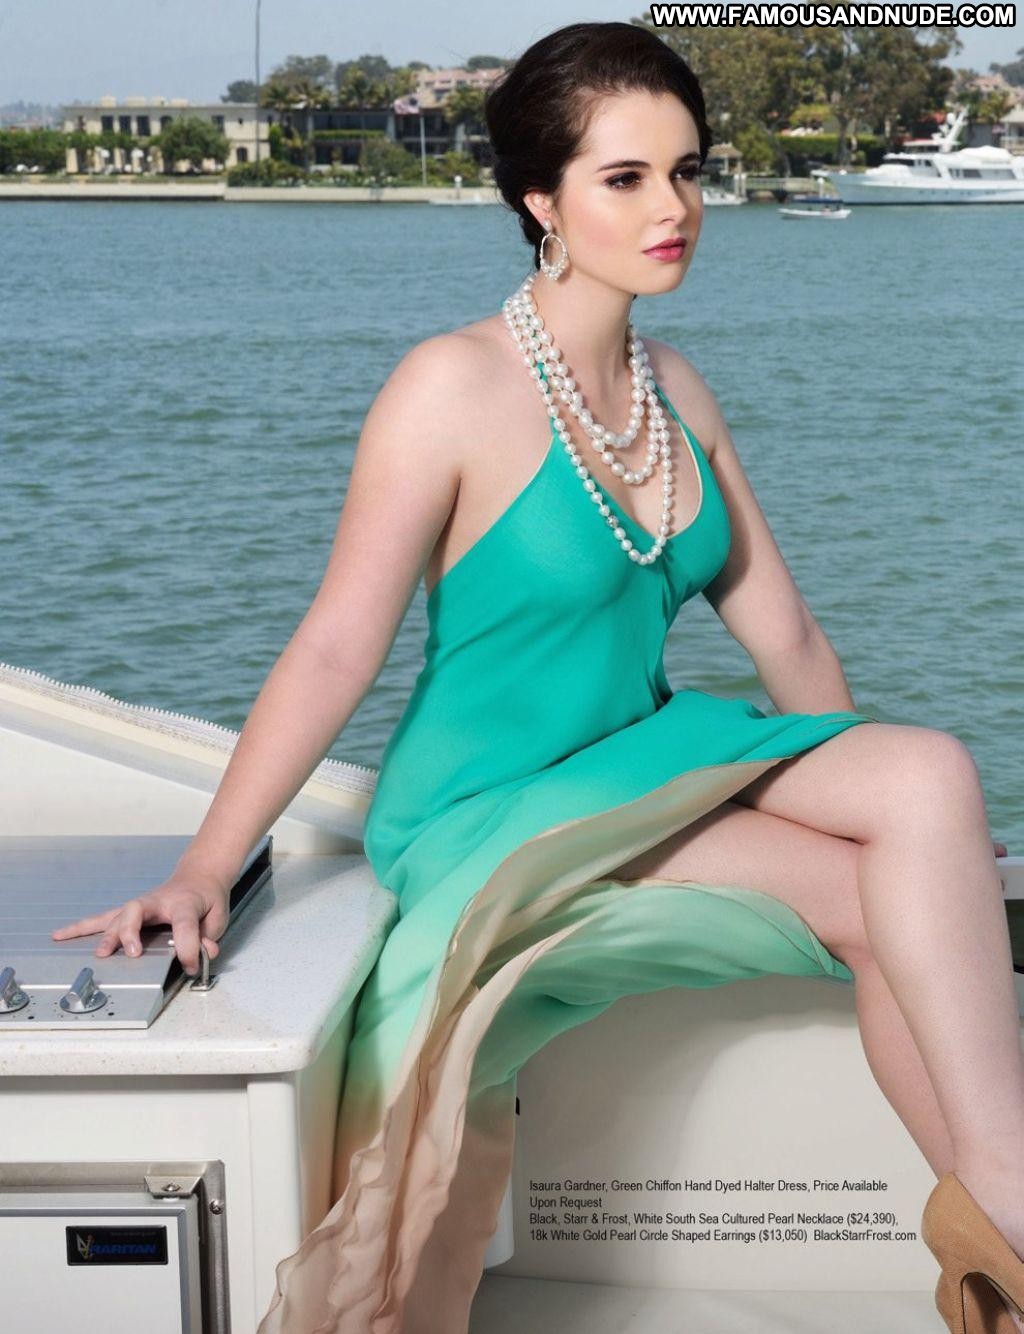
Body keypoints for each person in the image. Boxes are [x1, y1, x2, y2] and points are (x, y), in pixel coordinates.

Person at [51, 21, 1020, 1334]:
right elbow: (336, 643)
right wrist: (209, 865)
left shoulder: (677, 391)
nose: (674, 207)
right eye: (626, 178)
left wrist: (888, 827)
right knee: (886, 886)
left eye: (688, 171)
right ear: (539, 200)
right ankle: (1009, 1228)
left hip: (635, 753)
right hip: (489, 803)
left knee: (927, 794)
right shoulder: (449, 387)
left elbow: (788, 639)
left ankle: (999, 1227)